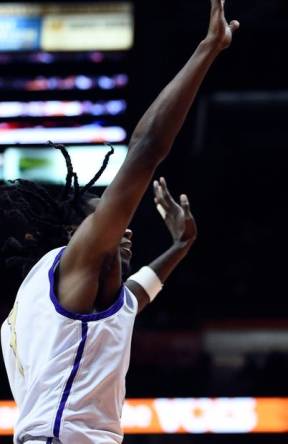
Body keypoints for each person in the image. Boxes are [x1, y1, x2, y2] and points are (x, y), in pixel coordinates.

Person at [0, 1, 238, 442]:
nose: (124, 228)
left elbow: (133, 298)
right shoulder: (74, 262)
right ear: (79, 235)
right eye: (108, 220)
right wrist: (208, 49)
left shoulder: (43, 301)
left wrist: (179, 247)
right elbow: (146, 148)